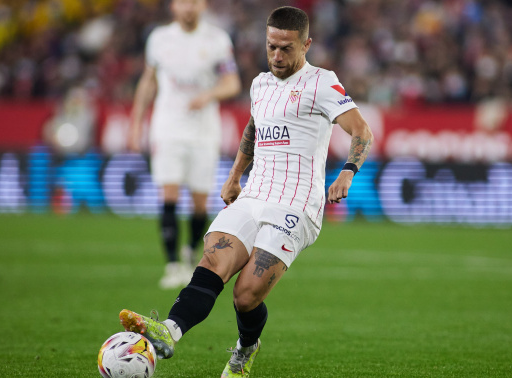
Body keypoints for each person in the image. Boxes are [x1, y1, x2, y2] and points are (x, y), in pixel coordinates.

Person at [120, 6, 373, 377]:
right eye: (271, 46)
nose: (277, 56)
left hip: (297, 203)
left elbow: (361, 130)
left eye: (286, 48)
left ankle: (246, 346)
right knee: (212, 262)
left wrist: (347, 173)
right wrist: (235, 176)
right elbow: (255, 128)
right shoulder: (260, 84)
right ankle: (169, 332)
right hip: (254, 194)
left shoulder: (322, 82)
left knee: (246, 294)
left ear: (307, 44)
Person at [127, 0, 241, 289]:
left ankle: (190, 256)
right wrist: (136, 123)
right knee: (169, 193)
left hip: (204, 130)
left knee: (200, 199)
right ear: (173, 7)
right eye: (182, 2)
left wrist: (209, 95)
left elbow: (232, 83)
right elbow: (148, 81)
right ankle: (171, 264)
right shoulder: (159, 39)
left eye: (193, 2)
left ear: (202, 6)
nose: (188, 7)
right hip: (167, 127)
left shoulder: (217, 39)